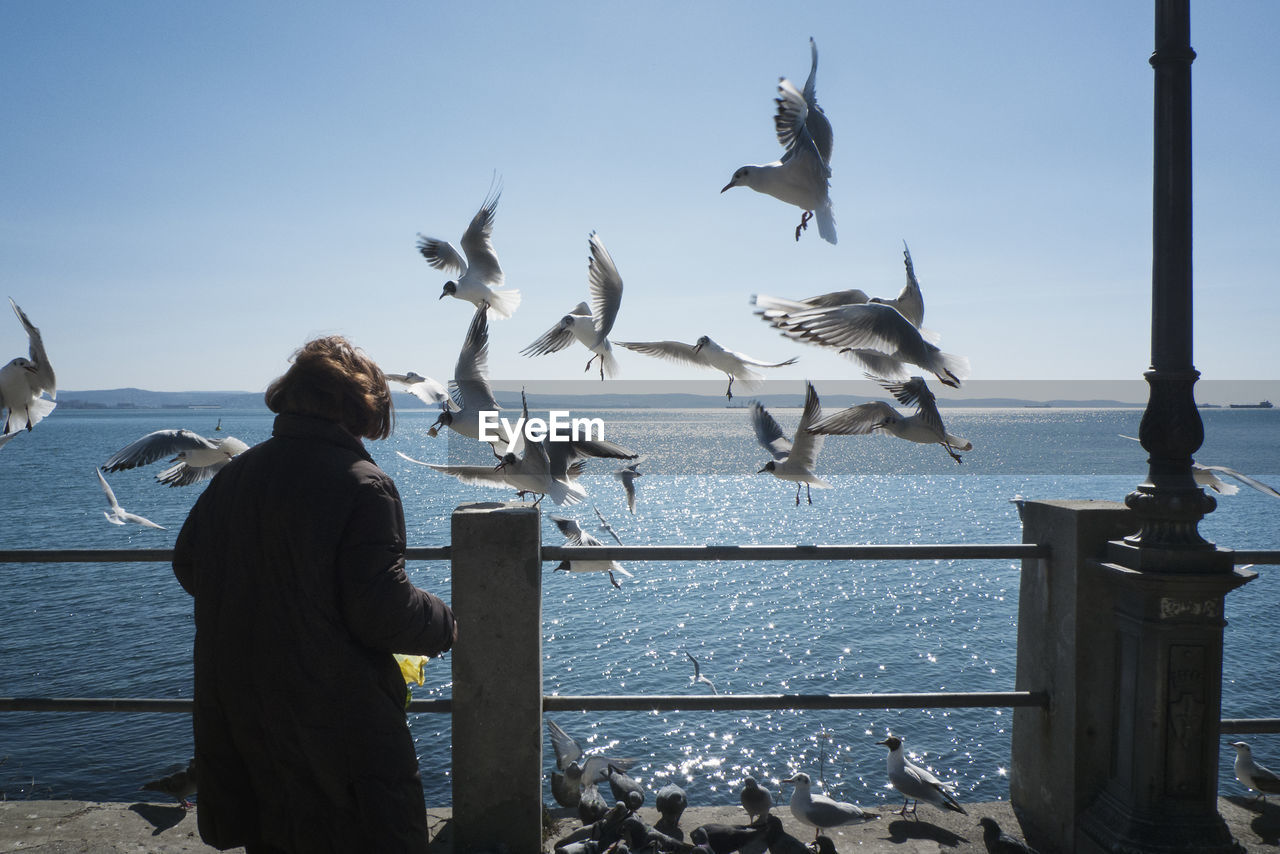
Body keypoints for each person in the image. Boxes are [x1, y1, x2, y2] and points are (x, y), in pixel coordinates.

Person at [173, 336, 457, 853]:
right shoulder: (364, 484)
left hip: (247, 713)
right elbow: (381, 611)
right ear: (359, 405)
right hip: (338, 726)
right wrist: (444, 621)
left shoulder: (235, 476)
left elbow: (189, 563)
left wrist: (268, 600)